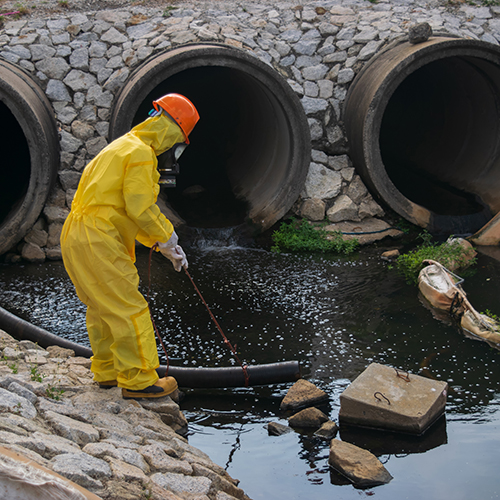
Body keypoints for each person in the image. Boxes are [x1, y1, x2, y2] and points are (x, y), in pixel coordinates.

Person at [60, 93, 200, 399]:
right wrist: (167, 235)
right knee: (129, 307)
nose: (172, 147)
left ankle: (108, 371)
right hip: (99, 237)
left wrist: (160, 244)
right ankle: (138, 380)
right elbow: (139, 208)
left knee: (102, 306)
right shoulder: (140, 153)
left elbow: (119, 208)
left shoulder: (120, 146)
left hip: (77, 232)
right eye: (178, 139)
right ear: (170, 129)